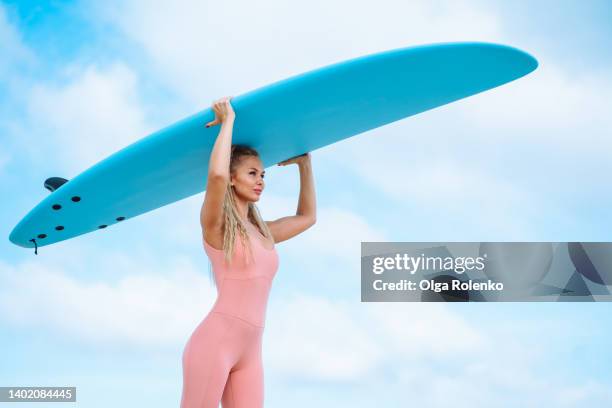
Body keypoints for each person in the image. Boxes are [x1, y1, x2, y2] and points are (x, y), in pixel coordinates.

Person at [180, 96, 316, 408]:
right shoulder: (217, 227)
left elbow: (307, 217)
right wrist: (228, 122)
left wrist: (305, 165)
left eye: (263, 174)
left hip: (251, 351)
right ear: (232, 179)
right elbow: (215, 176)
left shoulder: (263, 232)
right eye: (252, 173)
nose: (261, 182)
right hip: (215, 343)